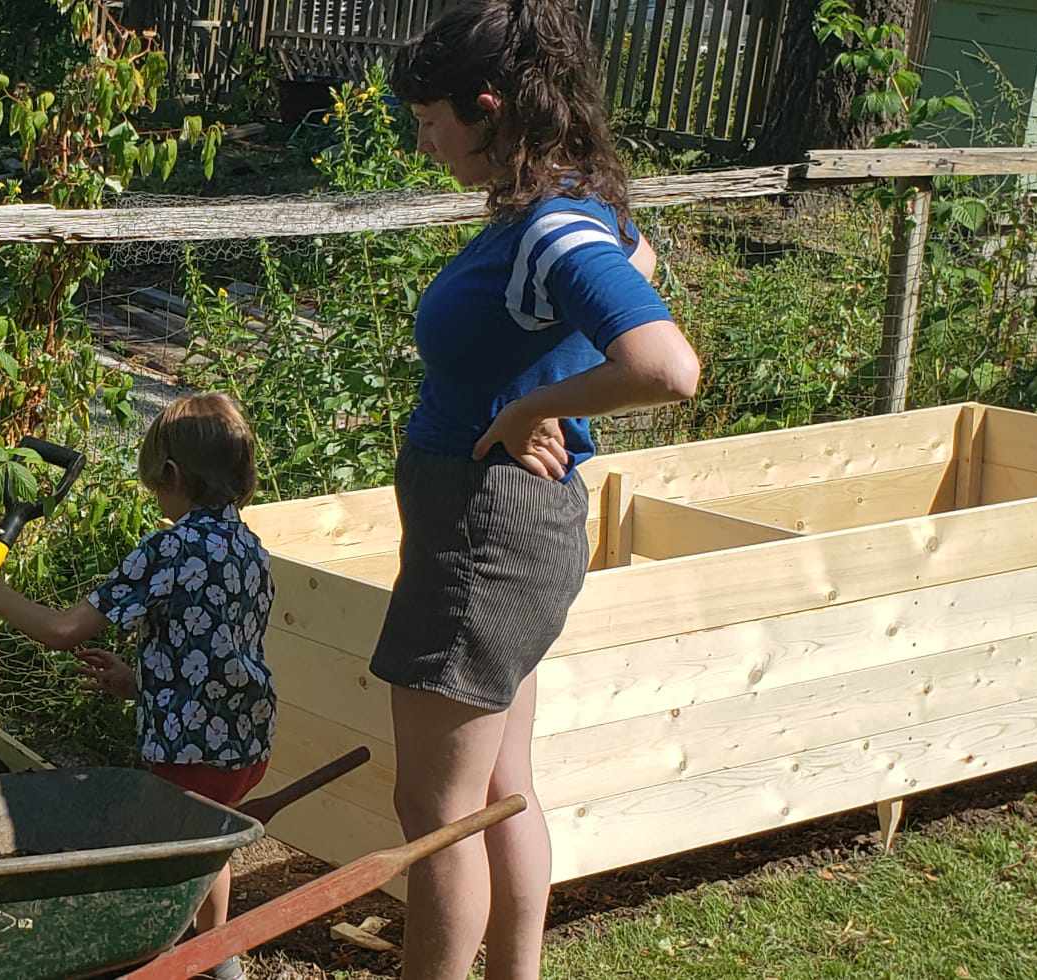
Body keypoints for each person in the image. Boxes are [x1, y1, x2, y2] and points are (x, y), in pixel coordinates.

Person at [376, 2, 702, 978]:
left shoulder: (554, 223)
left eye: (433, 121)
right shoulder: (572, 207)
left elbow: (666, 364)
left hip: (486, 542)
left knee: (436, 815)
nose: (425, 143)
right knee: (500, 786)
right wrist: (540, 391)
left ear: (488, 106)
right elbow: (639, 259)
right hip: (508, 535)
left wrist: (532, 409)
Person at [0, 392, 275, 980]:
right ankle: (221, 956)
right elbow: (216, 651)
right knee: (207, 841)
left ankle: (147, 955)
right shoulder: (248, 547)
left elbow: (61, 630)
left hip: (190, 752)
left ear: (173, 476)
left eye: (156, 486)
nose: (157, 497)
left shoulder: (169, 548)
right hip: (244, 740)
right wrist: (141, 682)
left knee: (160, 864)